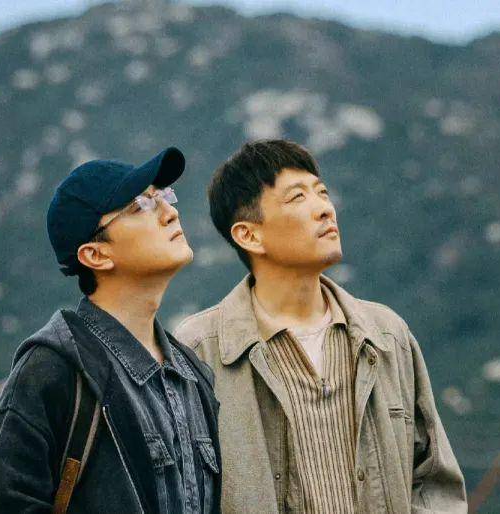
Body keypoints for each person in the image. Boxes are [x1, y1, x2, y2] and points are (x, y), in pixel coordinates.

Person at [176, 139, 466, 513]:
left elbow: (434, 483)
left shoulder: (386, 334)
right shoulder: (200, 351)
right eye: (298, 197)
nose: (325, 209)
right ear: (249, 235)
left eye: (322, 193)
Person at [0, 148, 221, 514]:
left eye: (164, 196)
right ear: (95, 255)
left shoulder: (193, 375)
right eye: (141, 206)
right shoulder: (53, 369)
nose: (170, 212)